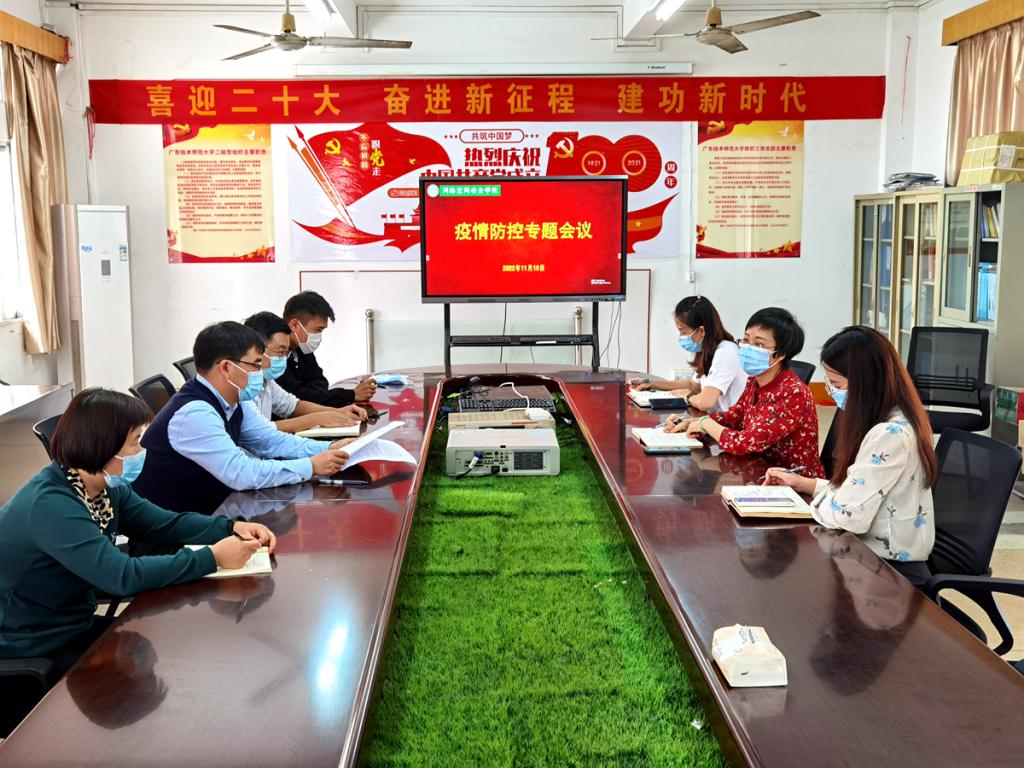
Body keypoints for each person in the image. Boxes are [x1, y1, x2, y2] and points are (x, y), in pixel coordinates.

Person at [0, 388, 276, 676]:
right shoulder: (52, 505)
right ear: (104, 446)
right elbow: (122, 576)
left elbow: (165, 524)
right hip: (31, 642)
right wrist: (213, 558)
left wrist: (231, 527)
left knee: (174, 653)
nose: (142, 452)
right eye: (135, 442)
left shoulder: (104, 485)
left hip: (71, 623)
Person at [764, 326, 937, 585]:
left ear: (867, 383)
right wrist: (805, 484)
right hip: (867, 557)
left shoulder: (890, 434)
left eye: (836, 385)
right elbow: (858, 491)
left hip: (892, 575)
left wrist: (815, 502)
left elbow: (848, 514)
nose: (831, 392)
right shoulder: (889, 418)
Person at [132, 321, 350, 523]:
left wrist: (330, 448)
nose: (260, 372)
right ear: (226, 367)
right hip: (172, 530)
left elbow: (270, 441)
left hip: (210, 513)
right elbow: (241, 473)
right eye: (255, 365)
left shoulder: (235, 399)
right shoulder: (195, 413)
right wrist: (311, 466)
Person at [666, 307, 825, 479]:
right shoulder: (754, 381)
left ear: (780, 354)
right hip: (758, 470)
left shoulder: (793, 393)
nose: (748, 348)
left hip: (793, 482)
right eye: (746, 340)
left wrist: (705, 423)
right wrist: (692, 422)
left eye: (758, 344)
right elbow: (734, 417)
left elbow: (746, 442)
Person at [243, 311, 367, 433]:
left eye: (286, 353)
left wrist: (337, 412)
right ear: (256, 349)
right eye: (280, 352)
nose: (283, 359)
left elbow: (293, 406)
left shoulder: (267, 381)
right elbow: (258, 430)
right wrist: (318, 419)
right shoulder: (241, 386)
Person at [629, 295, 745, 412]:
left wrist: (687, 396)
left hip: (726, 421)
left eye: (683, 331)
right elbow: (693, 385)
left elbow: (705, 403)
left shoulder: (726, 351)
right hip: (712, 417)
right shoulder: (708, 350)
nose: (681, 337)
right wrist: (651, 384)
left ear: (701, 331)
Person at [277, 290, 376, 407]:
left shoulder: (302, 349)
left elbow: (321, 381)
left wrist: (312, 394)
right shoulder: (274, 357)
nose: (319, 336)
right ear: (294, 325)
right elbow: (297, 398)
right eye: (317, 330)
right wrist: (351, 394)